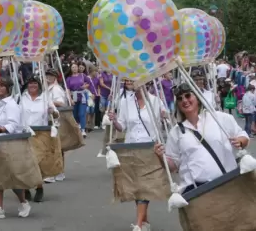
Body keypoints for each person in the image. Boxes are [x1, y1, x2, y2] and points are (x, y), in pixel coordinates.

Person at [154, 82, 249, 197]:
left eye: (188, 96)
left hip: (227, 183)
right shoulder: (176, 132)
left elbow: (244, 136)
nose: (184, 100)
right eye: (180, 99)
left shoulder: (219, 118)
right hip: (197, 191)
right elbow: (173, 166)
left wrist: (240, 141)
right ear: (178, 105)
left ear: (198, 99)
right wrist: (160, 156)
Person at [108, 80, 166, 231]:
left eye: (140, 82)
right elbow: (122, 126)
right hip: (131, 147)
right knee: (136, 185)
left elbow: (163, 120)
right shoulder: (125, 102)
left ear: (147, 83)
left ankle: (139, 224)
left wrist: (165, 116)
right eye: (134, 82)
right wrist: (114, 121)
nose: (137, 85)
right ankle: (144, 220)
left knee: (145, 184)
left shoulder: (156, 101)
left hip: (150, 148)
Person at [0, 77, 31, 220]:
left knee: (13, 178)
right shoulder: (0, 104)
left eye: (2, 86)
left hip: (10, 145)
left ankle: (23, 202)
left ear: (8, 88)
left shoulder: (11, 104)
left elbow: (13, 126)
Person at [19, 75, 59, 202]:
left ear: (39, 86)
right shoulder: (20, 97)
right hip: (24, 133)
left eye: (35, 84)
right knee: (25, 162)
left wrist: (52, 111)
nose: (32, 86)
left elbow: (56, 114)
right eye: (30, 83)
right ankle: (25, 188)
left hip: (40, 133)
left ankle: (39, 187)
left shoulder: (45, 98)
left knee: (37, 161)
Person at [45, 68, 67, 183]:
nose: (48, 77)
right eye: (47, 75)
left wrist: (49, 103)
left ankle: (58, 171)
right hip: (49, 120)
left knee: (56, 147)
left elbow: (61, 103)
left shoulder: (56, 89)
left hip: (56, 120)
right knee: (54, 147)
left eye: (51, 75)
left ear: (55, 77)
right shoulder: (47, 88)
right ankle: (57, 171)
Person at [65, 63, 94, 137]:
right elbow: (67, 89)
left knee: (82, 114)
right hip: (74, 96)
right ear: (71, 69)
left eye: (75, 67)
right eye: (73, 67)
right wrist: (70, 99)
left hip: (82, 96)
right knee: (75, 115)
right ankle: (77, 128)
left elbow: (89, 82)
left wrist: (85, 86)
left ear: (78, 68)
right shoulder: (69, 78)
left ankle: (83, 130)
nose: (74, 68)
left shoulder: (82, 75)